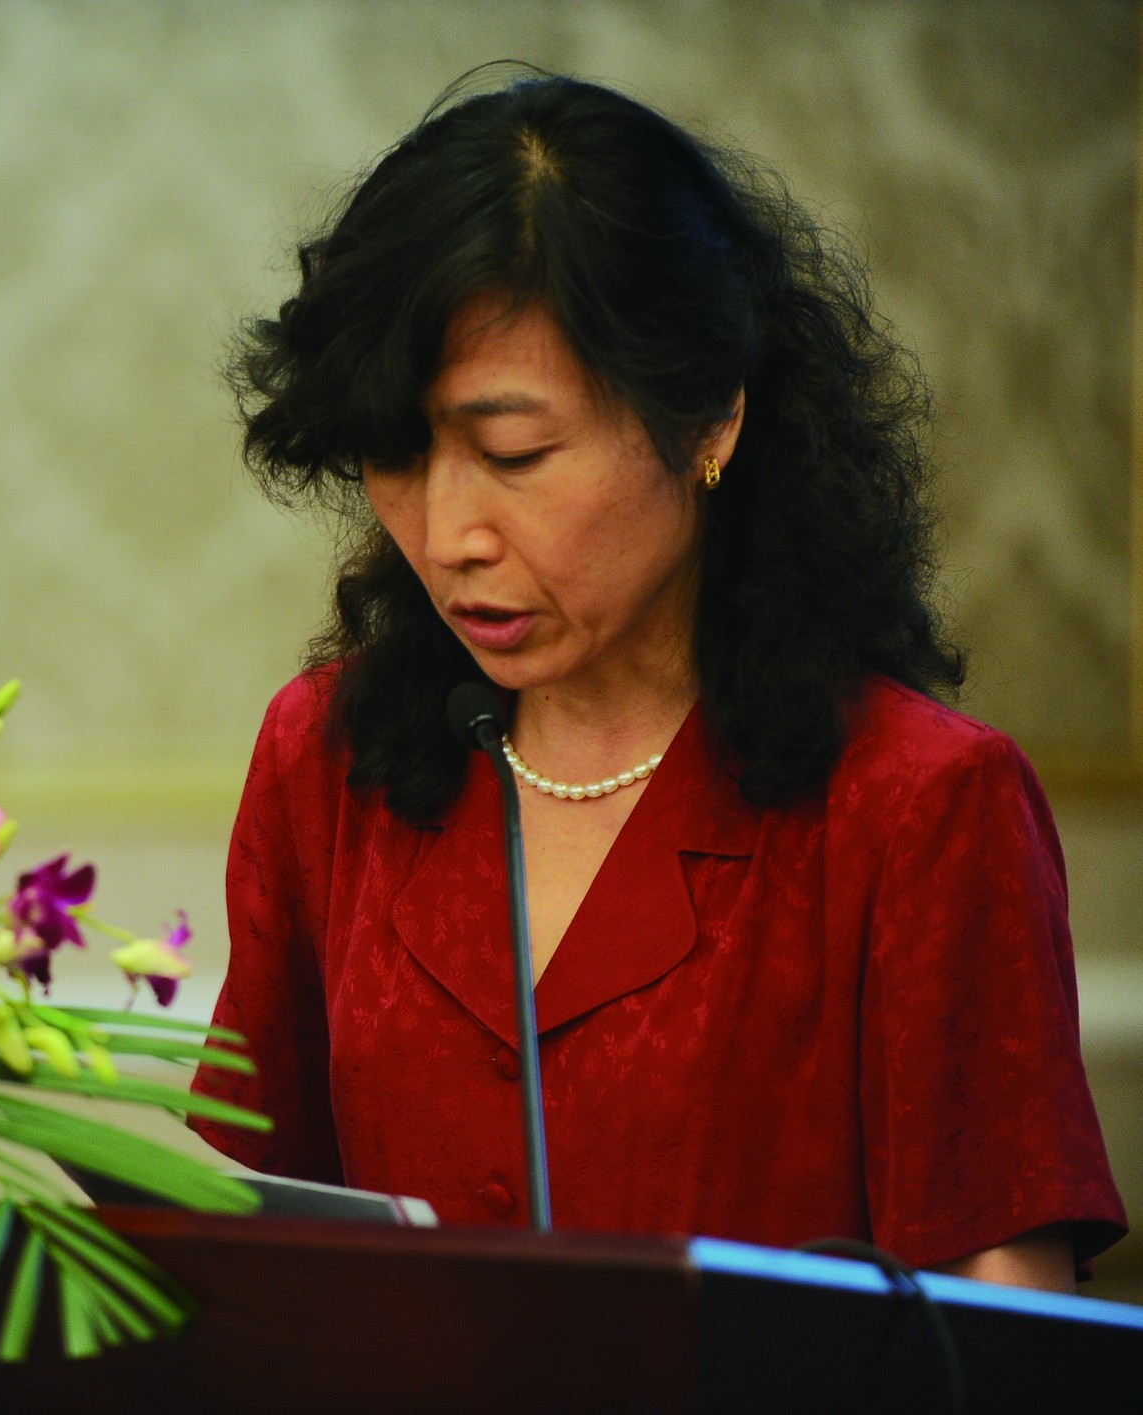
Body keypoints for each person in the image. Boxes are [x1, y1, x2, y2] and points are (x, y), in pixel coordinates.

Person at [188, 70, 1126, 1292]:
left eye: (514, 452)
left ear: (708, 418)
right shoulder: (329, 755)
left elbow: (1008, 1339)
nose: (448, 533)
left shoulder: (917, 804)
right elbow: (260, 1259)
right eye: (394, 454)